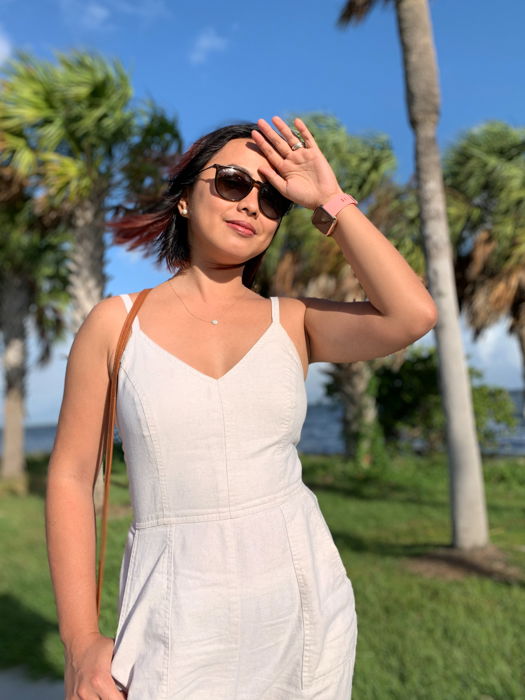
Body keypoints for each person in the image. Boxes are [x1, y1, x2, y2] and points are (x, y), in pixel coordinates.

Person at [45, 115, 438, 699]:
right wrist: (80, 642)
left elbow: (413, 316)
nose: (252, 203)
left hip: (304, 607)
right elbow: (73, 476)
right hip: (172, 611)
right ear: (185, 198)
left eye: (274, 196)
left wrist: (328, 200)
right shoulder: (115, 323)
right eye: (232, 181)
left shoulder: (294, 321)